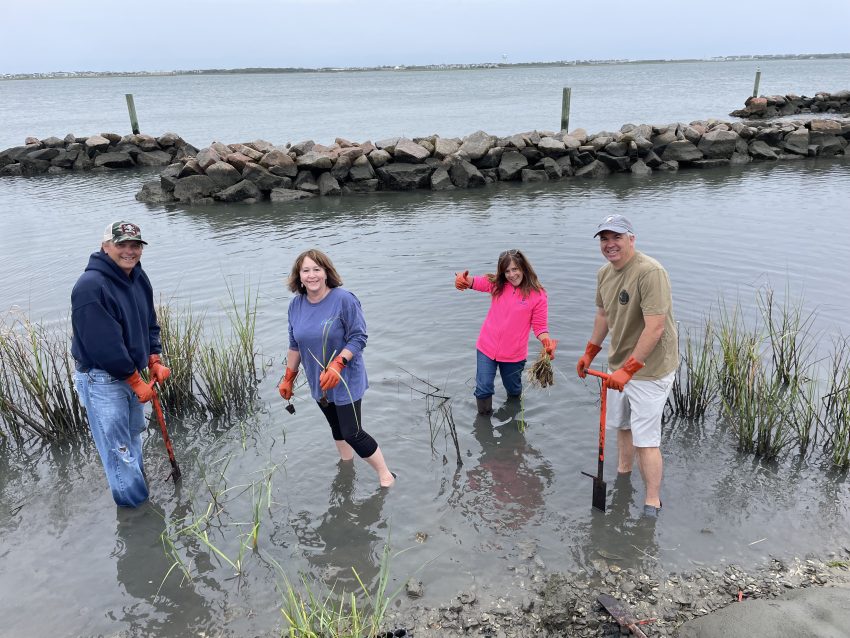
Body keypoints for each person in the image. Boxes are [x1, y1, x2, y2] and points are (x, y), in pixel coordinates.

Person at [576, 214, 678, 517]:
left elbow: (655, 328)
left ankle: (652, 502)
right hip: (618, 365)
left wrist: (629, 370)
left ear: (631, 239)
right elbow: (604, 316)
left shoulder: (650, 272)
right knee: (621, 425)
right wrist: (589, 353)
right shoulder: (603, 274)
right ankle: (623, 475)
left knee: (646, 440)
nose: (610, 245)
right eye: (605, 239)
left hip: (650, 369)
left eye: (617, 237)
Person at [71, 221, 170, 508]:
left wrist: (153, 357)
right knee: (119, 451)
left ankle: (139, 500)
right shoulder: (90, 287)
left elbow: (149, 321)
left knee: (133, 439)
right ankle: (137, 517)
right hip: (101, 379)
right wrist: (134, 380)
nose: (129, 251)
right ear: (105, 247)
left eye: (135, 245)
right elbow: (104, 345)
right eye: (121, 244)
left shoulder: (138, 277)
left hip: (130, 374)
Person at [278, 249, 394, 487]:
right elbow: (294, 345)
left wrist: (339, 363)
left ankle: (386, 475)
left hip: (345, 379)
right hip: (318, 381)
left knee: (353, 432)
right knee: (336, 426)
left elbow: (358, 337)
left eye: (316, 270)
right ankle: (346, 463)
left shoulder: (344, 299)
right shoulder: (295, 306)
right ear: (298, 276)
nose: (312, 275)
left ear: (326, 272)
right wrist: (288, 377)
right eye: (306, 270)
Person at [454, 249, 556, 416]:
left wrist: (546, 342)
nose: (511, 274)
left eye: (515, 269)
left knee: (514, 391)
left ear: (523, 268)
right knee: (483, 388)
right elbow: (472, 281)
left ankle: (514, 420)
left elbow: (540, 327)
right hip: (486, 348)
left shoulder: (538, 295)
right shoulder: (497, 285)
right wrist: (461, 280)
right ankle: (484, 428)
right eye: (506, 271)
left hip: (514, 355)